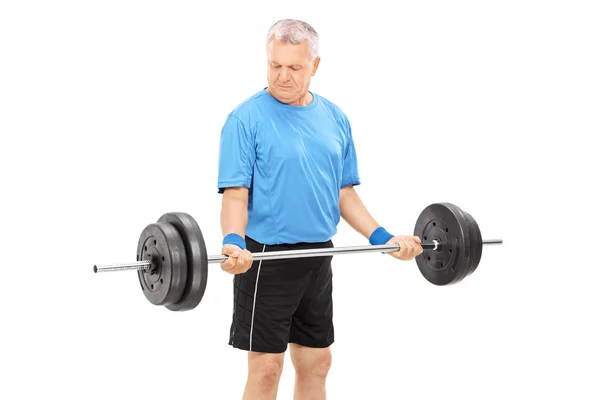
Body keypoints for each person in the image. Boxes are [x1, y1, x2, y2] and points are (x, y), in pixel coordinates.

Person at [217, 18, 423, 400]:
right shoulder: (244, 119)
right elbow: (235, 194)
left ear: (314, 66)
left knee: (317, 363)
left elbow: (343, 193)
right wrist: (232, 242)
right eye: (275, 65)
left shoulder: (334, 118)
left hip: (318, 255)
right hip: (264, 259)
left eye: (294, 67)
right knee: (266, 370)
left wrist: (384, 239)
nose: (282, 76)